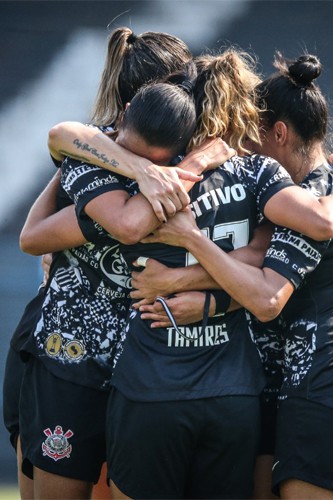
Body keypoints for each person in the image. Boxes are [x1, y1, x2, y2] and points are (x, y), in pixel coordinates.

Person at [141, 53, 333, 499]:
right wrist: (208, 301)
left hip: (327, 391)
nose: (242, 146)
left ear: (278, 133)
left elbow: (266, 296)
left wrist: (181, 273)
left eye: (250, 133)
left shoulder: (314, 203)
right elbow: (262, 261)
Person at [10, 27, 200, 499]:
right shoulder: (94, 150)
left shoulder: (190, 152)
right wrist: (146, 171)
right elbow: (47, 232)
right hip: (71, 355)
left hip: (144, 361)